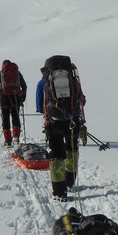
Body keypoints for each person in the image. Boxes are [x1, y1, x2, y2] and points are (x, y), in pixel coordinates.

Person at [36, 56, 86, 202]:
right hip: (73, 120)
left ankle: (59, 191)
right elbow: (82, 100)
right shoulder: (73, 80)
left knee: (57, 154)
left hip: (54, 122)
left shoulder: (44, 82)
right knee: (72, 148)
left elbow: (40, 105)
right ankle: (70, 182)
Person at [0, 59, 27, 146]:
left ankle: (8, 140)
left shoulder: (0, 73)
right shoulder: (17, 73)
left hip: (4, 98)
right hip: (16, 97)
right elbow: (24, 86)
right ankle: (16, 137)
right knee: (15, 117)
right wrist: (23, 96)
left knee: (5, 118)